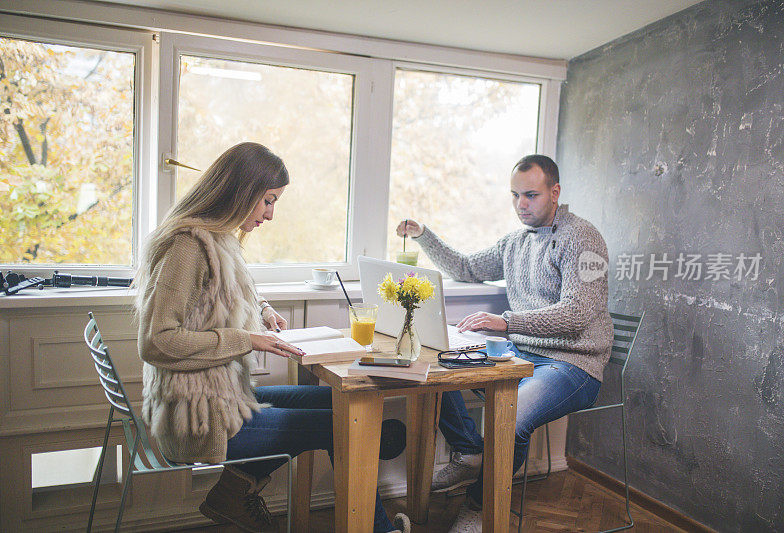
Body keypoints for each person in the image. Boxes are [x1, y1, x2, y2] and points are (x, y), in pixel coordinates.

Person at [134, 142, 409, 533]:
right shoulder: (187, 246)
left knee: (341, 401)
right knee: (355, 425)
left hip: (224, 395)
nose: (270, 214)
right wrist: (246, 339)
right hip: (200, 415)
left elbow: (230, 287)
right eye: (267, 201)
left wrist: (262, 311)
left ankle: (233, 492)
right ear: (240, 191)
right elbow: (156, 342)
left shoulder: (218, 238)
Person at [396, 154, 612, 532]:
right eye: (514, 196)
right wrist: (423, 234)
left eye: (530, 195)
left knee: (509, 417)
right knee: (439, 364)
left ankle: (480, 508)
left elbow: (577, 313)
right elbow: (465, 267)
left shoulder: (583, 237)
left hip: (574, 363)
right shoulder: (516, 241)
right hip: (522, 352)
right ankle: (469, 454)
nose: (521, 205)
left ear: (555, 192)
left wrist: (506, 322)